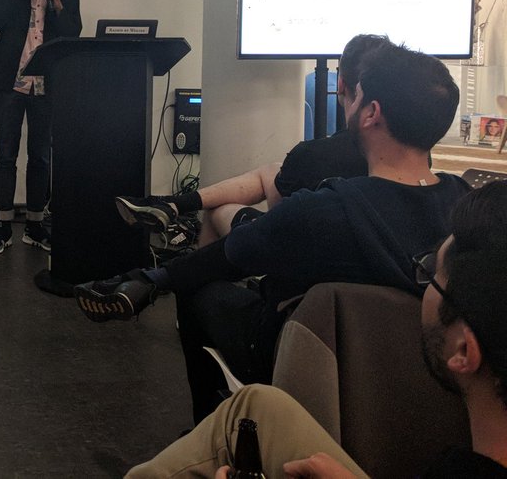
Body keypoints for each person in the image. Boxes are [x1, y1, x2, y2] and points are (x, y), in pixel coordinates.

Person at [75, 42, 468, 423]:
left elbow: (230, 255)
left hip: (303, 355)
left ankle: (214, 429)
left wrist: (152, 279)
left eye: (358, 92)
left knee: (198, 286)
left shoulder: (326, 208)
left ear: (371, 113)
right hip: (422, 377)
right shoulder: (467, 206)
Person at [125, 179, 507, 478]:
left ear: (464, 351)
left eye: (429, 273)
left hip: (265, 334)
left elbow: (247, 245)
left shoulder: (326, 208)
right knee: (259, 404)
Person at [116, 34, 388, 245]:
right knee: (271, 172)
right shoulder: (404, 161)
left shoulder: (313, 156)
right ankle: (172, 209)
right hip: (359, 273)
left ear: (340, 84)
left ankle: (171, 226)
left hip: (300, 263)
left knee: (218, 210)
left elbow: (282, 220)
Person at [0, 0, 82, 255]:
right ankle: (2, 226)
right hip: (10, 82)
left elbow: (72, 36)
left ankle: (35, 225)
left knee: (40, 155)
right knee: (6, 153)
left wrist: (58, 4)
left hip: (46, 84)